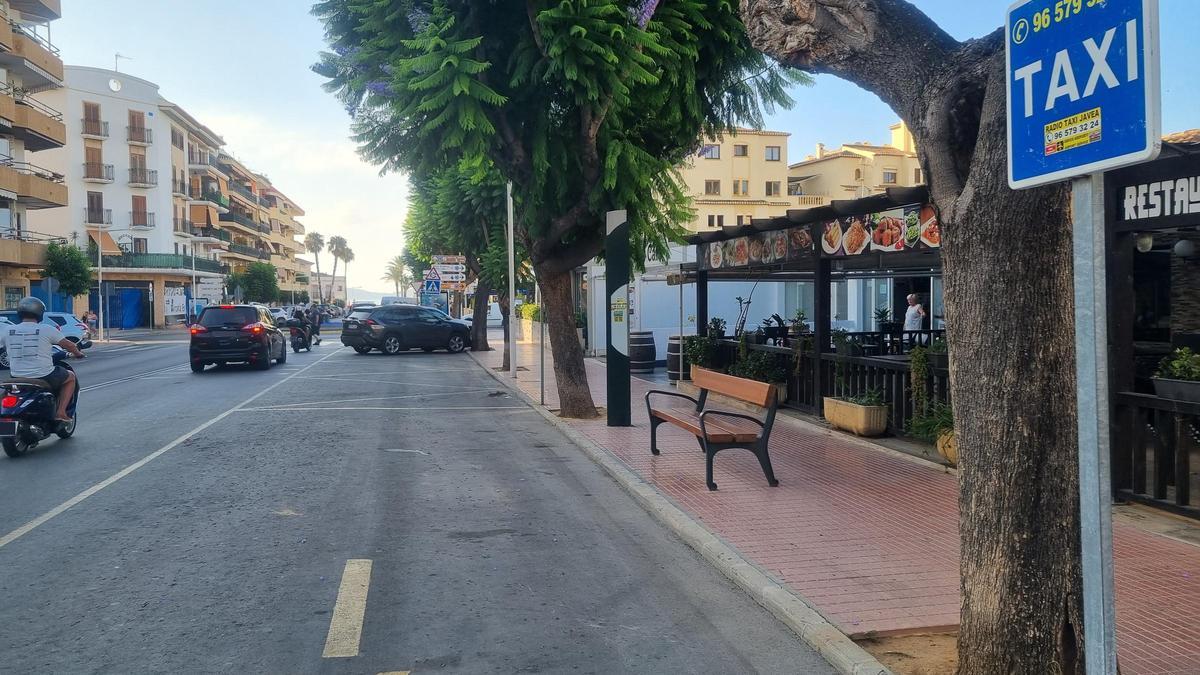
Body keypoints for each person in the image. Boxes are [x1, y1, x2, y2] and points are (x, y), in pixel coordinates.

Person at [0, 297, 84, 423]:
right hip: (44, 375)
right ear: (40, 313)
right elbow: (69, 345)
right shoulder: (46, 329)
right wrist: (78, 353)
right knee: (70, 377)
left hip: (16, 375)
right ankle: (61, 412)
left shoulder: (7, 330)